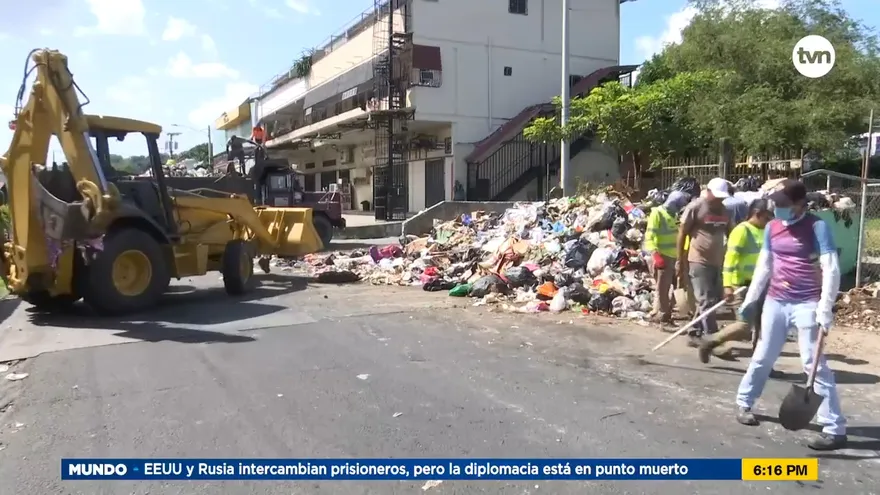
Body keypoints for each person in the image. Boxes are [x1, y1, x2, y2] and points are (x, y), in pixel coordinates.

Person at [734, 179, 846, 451]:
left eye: (784, 205)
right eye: (776, 205)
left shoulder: (817, 227)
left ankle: (834, 428)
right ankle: (744, 402)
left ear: (799, 204)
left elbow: (830, 269)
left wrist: (825, 307)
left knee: (814, 365)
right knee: (763, 356)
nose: (778, 210)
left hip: (807, 303)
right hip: (775, 301)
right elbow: (765, 265)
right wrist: (751, 299)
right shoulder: (772, 227)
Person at [698, 199, 773, 363]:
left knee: (763, 326)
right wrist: (727, 285)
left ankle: (761, 363)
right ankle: (711, 340)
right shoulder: (742, 231)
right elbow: (730, 259)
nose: (769, 222)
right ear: (757, 214)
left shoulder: (765, 231)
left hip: (759, 285)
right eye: (767, 218)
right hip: (742, 286)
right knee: (744, 326)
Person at [677, 177, 733, 347]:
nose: (719, 200)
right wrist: (680, 261)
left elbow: (732, 232)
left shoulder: (725, 211)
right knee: (706, 300)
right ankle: (713, 339)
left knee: (711, 300)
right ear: (708, 192)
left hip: (717, 261)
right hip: (698, 260)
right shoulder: (696, 207)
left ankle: (694, 331)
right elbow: (682, 233)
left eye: (722, 197)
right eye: (716, 196)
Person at [644, 191, 691, 324]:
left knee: (679, 286)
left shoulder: (675, 215)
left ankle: (667, 310)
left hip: (676, 257)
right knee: (662, 289)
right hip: (663, 256)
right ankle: (664, 315)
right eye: (679, 205)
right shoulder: (657, 213)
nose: (679, 208)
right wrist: (655, 254)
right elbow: (649, 236)